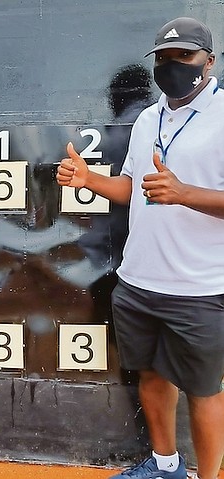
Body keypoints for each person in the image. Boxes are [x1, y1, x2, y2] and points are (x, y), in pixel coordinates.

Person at [57, 17, 224, 479]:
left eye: (184, 57)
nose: (173, 66)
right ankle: (166, 466)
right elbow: (133, 188)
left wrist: (185, 193)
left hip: (201, 288)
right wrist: (88, 180)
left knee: (205, 391)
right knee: (151, 376)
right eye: (165, 59)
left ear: (209, 61)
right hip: (139, 280)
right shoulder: (148, 118)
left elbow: (176, 192)